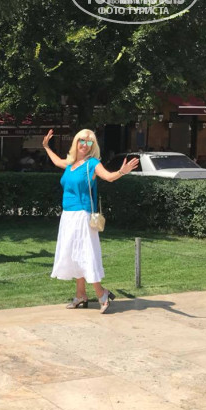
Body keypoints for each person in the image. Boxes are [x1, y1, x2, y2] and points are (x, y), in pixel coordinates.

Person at [42, 128, 139, 313]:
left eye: (89, 142)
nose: (85, 145)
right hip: (68, 216)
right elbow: (57, 161)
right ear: (76, 142)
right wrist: (46, 146)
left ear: (93, 145)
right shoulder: (71, 163)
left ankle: (102, 293)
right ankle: (81, 295)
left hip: (83, 216)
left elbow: (108, 177)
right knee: (73, 255)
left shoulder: (92, 163)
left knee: (86, 254)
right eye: (82, 140)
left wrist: (122, 171)